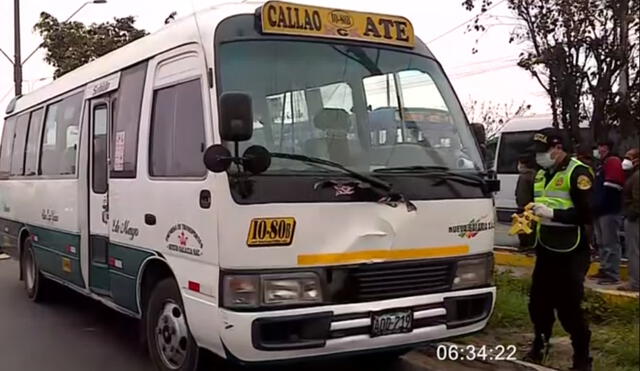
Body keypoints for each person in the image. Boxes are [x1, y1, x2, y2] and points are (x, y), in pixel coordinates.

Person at [525, 128, 593, 371]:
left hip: (572, 250)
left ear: (559, 148)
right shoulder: (542, 174)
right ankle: (539, 345)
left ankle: (582, 358)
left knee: (569, 306)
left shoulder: (579, 173)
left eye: (545, 151)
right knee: (538, 303)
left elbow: (587, 213)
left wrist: (553, 214)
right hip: (546, 246)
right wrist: (529, 215)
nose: (540, 156)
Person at [591, 140, 626, 285]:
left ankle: (612, 274)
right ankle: (605, 269)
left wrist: (600, 205)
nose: (599, 150)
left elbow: (612, 188)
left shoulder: (613, 162)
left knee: (610, 242)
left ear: (607, 148)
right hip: (600, 211)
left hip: (609, 210)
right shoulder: (602, 165)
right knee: (602, 242)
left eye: (601, 147)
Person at [618, 148, 639, 292]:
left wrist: (631, 214)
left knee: (634, 251)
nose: (625, 160)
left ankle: (635, 283)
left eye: (629, 157)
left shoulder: (637, 176)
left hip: (635, 219)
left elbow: (638, 200)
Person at [515, 154, 537, 248]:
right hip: (533, 207)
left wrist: (521, 207)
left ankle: (525, 246)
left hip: (524, 208)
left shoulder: (524, 177)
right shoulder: (536, 175)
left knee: (523, 231)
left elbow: (521, 194)